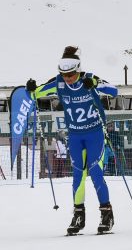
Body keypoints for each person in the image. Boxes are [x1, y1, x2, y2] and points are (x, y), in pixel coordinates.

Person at [27, 46, 119, 235]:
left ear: (78, 70)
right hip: (75, 136)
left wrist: (94, 83)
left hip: (95, 134)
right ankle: (78, 216)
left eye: (70, 74)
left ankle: (106, 214)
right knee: (78, 176)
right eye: (64, 74)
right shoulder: (59, 82)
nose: (67, 78)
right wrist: (31, 89)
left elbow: (114, 91)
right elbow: (36, 93)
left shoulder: (89, 79)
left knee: (96, 173)